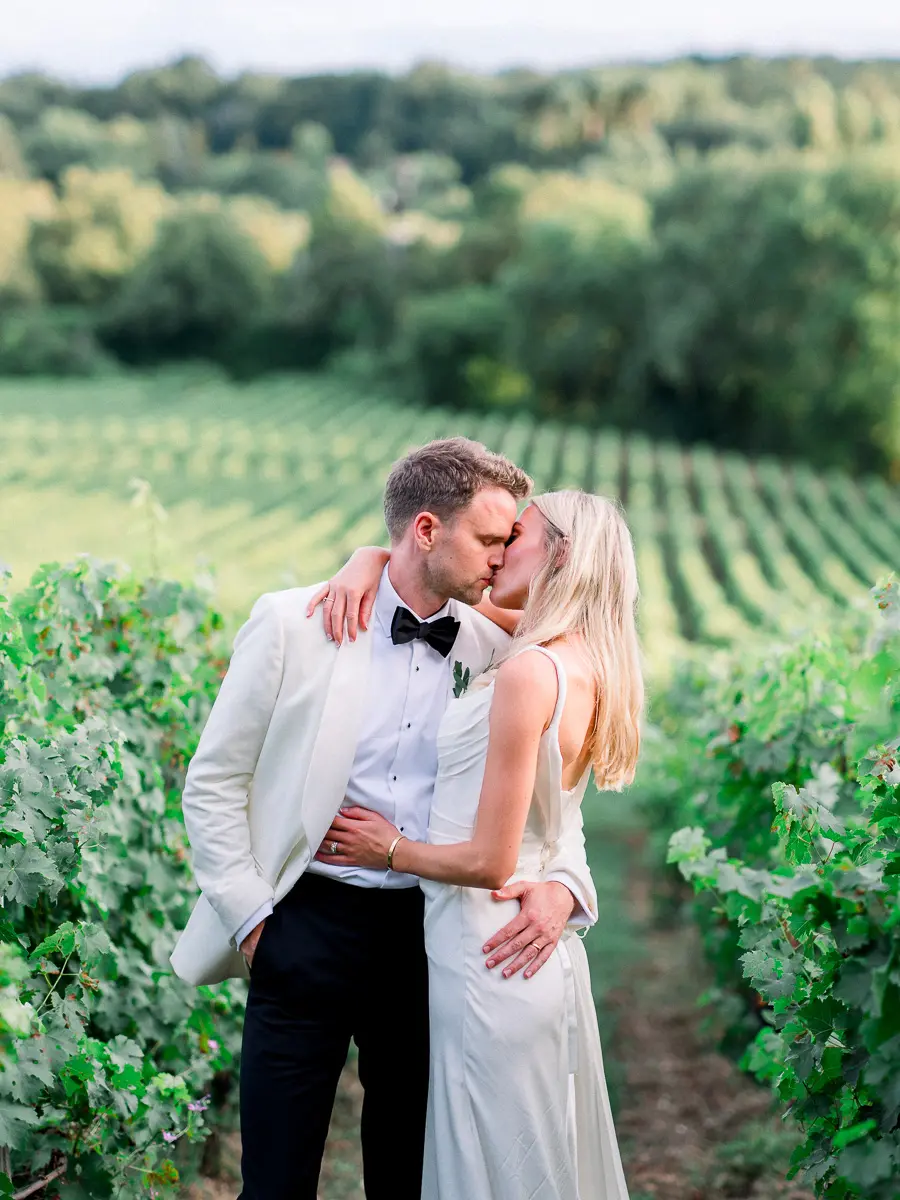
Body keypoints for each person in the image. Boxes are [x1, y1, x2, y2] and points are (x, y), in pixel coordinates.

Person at [169, 438, 598, 1200]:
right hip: (301, 923)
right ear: (427, 530)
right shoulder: (290, 624)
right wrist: (254, 923)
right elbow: (213, 782)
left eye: (509, 543)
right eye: (490, 539)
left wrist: (564, 885)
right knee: (273, 1180)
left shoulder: (502, 652)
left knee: (408, 1175)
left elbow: (554, 809)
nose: (501, 560)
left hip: (429, 939)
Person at [314, 488, 642, 1199]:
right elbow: (420, 586)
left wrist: (389, 848)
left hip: (487, 949)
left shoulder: (529, 670)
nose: (496, 553)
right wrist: (369, 557)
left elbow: (491, 860)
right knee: (522, 1164)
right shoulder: (577, 657)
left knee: (489, 1168)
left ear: (557, 550)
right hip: (528, 952)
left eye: (513, 536)